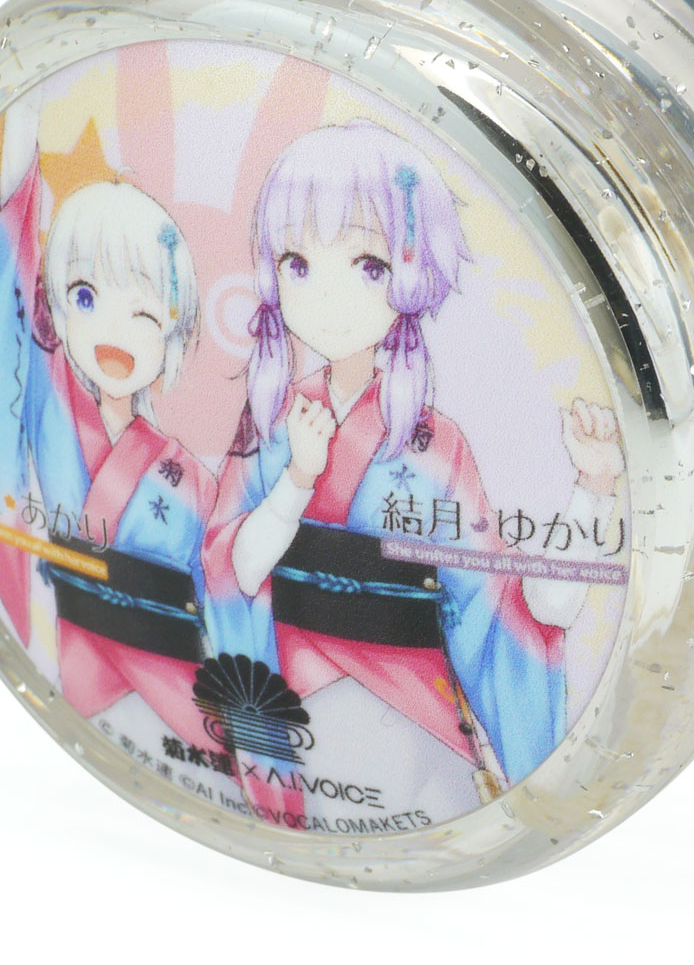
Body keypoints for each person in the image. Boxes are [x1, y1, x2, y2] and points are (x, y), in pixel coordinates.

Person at [203, 121, 623, 820]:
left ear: (409, 274)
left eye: (368, 265)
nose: (327, 296)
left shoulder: (438, 446)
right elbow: (232, 571)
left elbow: (520, 612)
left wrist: (594, 489)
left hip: (419, 718)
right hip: (298, 703)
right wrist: (298, 479)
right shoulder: (274, 422)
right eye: (298, 263)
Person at [0, 88, 218, 754]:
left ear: (174, 333)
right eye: (85, 295)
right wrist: (20, 150)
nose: (114, 330)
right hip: (70, 673)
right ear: (56, 307)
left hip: (177, 697)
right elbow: (0, 336)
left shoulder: (191, 479)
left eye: (145, 313)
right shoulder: (52, 404)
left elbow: (219, 600)